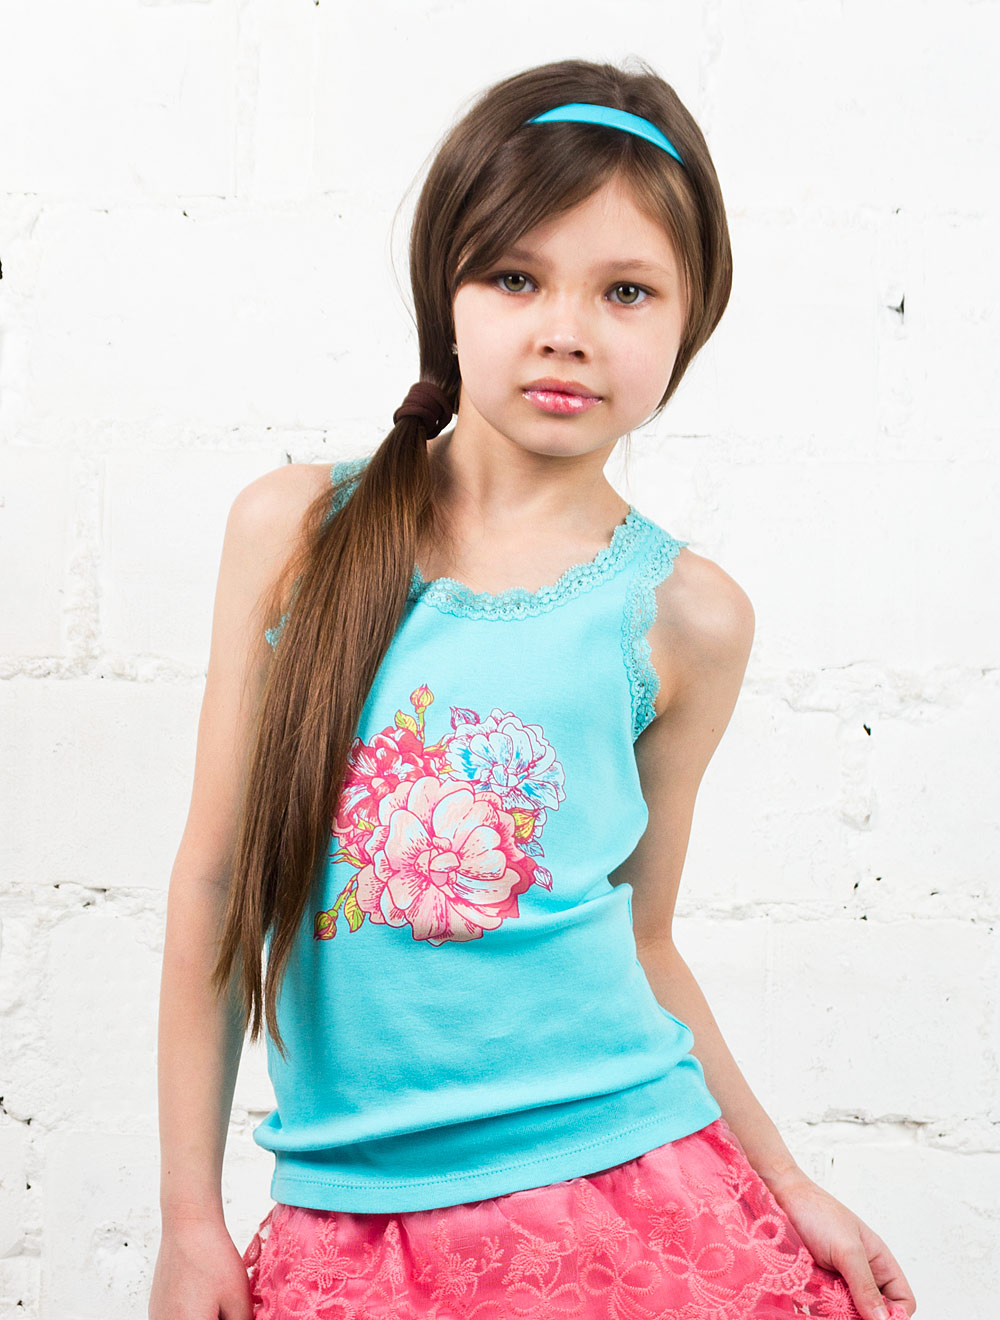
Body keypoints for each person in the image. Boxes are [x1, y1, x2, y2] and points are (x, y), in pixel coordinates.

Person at [148, 57, 917, 1320]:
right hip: (354, 1217)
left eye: (626, 290)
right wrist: (189, 1221)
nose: (566, 328)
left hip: (629, 1187)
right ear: (444, 295)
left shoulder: (685, 615)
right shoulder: (295, 531)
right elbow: (218, 882)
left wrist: (787, 1181)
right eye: (515, 277)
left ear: (689, 324)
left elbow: (643, 936)